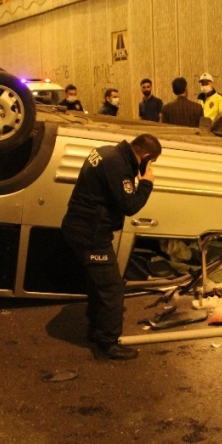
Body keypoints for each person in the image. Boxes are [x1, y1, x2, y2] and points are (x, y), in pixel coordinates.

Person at [61, 133, 162, 360]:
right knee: (112, 287)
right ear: (145, 156)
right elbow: (130, 205)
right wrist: (146, 182)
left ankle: (96, 329)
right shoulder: (117, 164)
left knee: (99, 283)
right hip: (90, 234)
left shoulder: (107, 151)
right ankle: (108, 343)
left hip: (80, 228)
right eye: (152, 162)